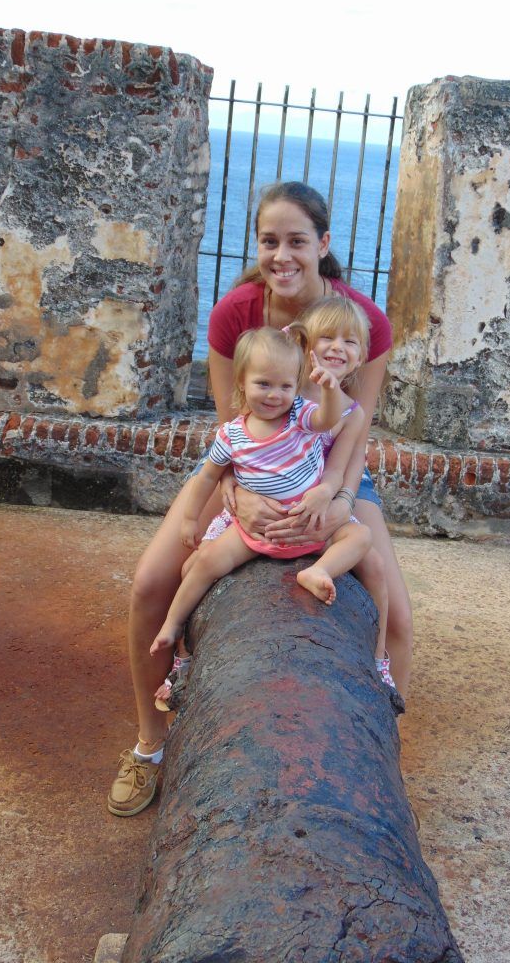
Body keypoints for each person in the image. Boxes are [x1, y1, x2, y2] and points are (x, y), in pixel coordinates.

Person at [107, 181, 414, 818]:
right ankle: (148, 743)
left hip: (333, 471)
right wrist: (236, 497)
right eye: (269, 241)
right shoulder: (236, 314)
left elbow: (358, 431)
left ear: (323, 245)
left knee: (401, 616)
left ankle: (384, 765)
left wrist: (334, 498)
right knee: (148, 585)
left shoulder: (362, 323)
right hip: (248, 468)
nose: (283, 255)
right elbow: (232, 424)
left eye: (297, 241)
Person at [148, 323, 393, 699]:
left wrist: (328, 388)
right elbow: (207, 476)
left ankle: (320, 572)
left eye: (285, 386)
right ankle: (173, 631)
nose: (275, 395)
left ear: (296, 388)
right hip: (257, 531)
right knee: (203, 563)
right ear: (242, 383)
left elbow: (328, 420)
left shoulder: (300, 415)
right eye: (264, 384)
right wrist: (189, 518)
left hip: (309, 525)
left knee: (360, 536)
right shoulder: (232, 434)